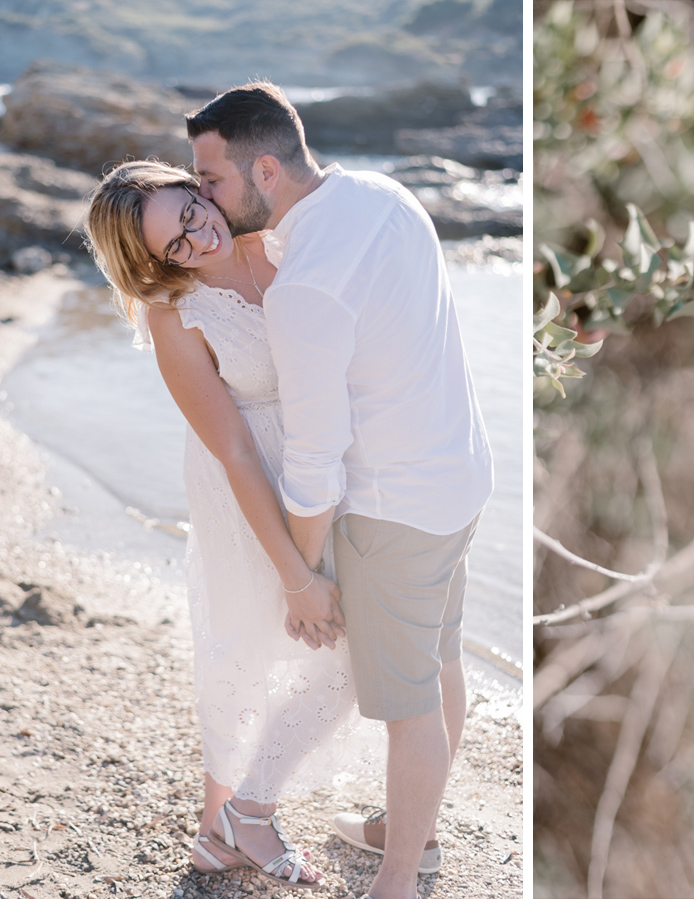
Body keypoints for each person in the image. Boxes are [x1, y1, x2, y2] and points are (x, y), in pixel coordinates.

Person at [185, 81, 494, 899]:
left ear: (264, 171)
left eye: (211, 181)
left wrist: (305, 576)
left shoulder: (304, 288)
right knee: (441, 657)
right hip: (459, 476)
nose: (202, 198)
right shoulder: (384, 196)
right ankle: (408, 830)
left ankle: (400, 873)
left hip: (391, 509)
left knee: (409, 707)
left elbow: (317, 459)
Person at [84, 160, 381, 891]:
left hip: (328, 465)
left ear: (195, 187)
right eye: (173, 246)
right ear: (155, 265)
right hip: (249, 483)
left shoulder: (277, 240)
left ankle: (218, 834)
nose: (197, 237)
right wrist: (295, 573)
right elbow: (235, 450)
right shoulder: (174, 314)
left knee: (321, 645)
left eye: (189, 212)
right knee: (269, 640)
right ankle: (246, 812)